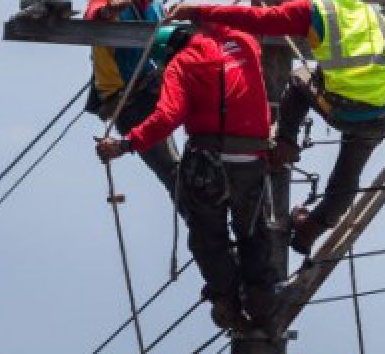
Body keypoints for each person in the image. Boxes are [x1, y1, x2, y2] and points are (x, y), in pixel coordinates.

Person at [170, 0, 385, 256]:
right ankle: (309, 231)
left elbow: (258, 20)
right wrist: (369, 88)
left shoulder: (313, 10)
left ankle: (284, 143)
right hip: (380, 112)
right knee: (347, 177)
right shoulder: (373, 16)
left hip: (343, 107)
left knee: (299, 78)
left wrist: (199, 11)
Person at [95, 22, 279, 335]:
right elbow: (238, 20)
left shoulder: (181, 64)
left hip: (209, 167)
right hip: (250, 162)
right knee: (253, 233)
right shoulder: (245, 44)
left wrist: (126, 144)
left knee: (208, 240)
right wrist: (202, 12)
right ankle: (263, 306)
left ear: (169, 52)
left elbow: (167, 117)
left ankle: (229, 305)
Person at [84, 0, 179, 198]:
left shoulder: (157, 9)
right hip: (126, 101)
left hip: (154, 94)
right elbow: (95, 13)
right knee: (172, 172)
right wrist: (109, 10)